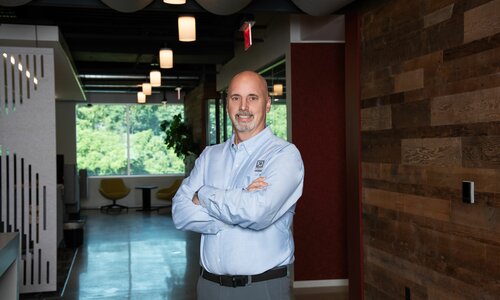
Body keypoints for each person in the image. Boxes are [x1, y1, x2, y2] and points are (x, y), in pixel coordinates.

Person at [172, 70, 304, 300]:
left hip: (262, 288)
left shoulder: (284, 155)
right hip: (208, 286)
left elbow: (256, 213)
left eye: (253, 97)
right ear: (227, 105)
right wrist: (240, 203)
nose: (243, 106)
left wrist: (203, 195)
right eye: (236, 98)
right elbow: (180, 213)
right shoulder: (210, 156)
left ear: (268, 104)